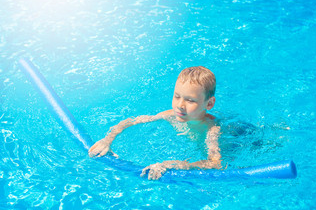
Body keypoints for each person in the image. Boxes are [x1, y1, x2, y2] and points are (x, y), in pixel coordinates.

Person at [88, 66, 221, 180]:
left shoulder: (211, 129)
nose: (180, 105)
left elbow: (215, 163)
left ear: (209, 103)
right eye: (177, 96)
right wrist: (107, 140)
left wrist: (174, 165)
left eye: (190, 100)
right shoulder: (170, 115)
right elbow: (132, 121)